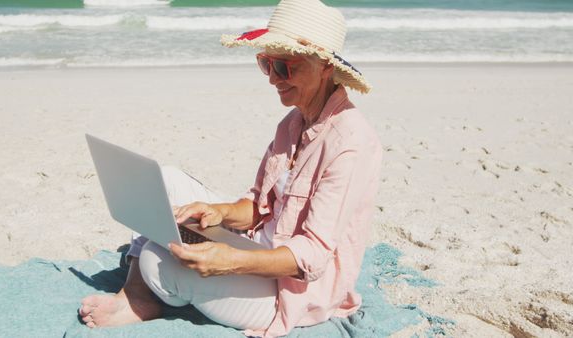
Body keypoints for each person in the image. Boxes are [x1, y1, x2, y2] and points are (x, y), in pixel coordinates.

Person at [78, 0, 382, 336]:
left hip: (290, 290)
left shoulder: (351, 142)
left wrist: (229, 261)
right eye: (266, 64)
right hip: (257, 248)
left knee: (154, 258)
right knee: (163, 182)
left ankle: (145, 295)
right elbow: (258, 206)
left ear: (325, 66)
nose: (273, 79)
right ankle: (137, 296)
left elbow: (310, 257)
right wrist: (218, 212)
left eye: (285, 67)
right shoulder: (292, 123)